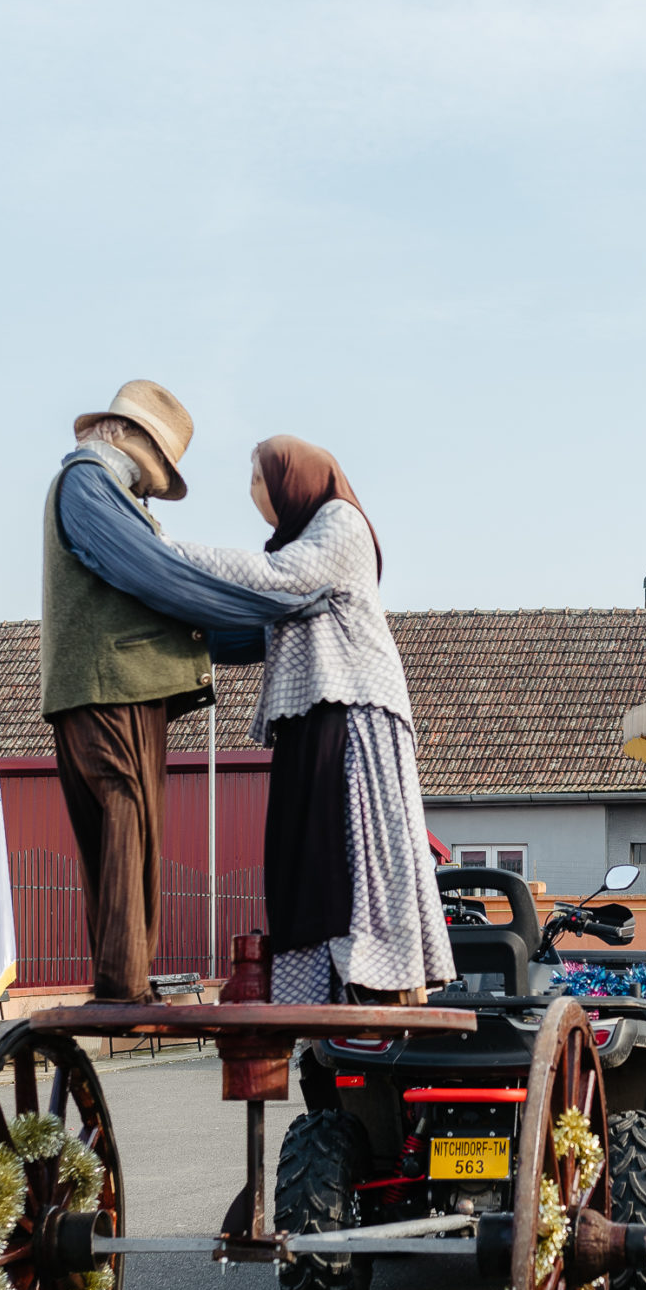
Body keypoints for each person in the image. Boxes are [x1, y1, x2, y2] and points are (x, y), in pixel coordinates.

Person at [43, 382, 330, 1002]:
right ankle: (123, 988)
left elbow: (173, 619)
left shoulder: (105, 490)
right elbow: (156, 575)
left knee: (131, 831)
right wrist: (275, 607)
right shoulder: (90, 481)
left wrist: (268, 629)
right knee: (126, 821)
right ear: (127, 438)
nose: (150, 486)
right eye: (151, 471)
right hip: (109, 687)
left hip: (120, 686)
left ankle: (126, 981)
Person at [167, 436, 453, 1005]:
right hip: (309, 712)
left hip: (351, 707)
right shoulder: (300, 541)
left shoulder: (339, 523)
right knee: (303, 855)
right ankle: (313, 984)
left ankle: (375, 972)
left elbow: (275, 577)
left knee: (347, 850)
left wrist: (164, 553)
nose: (253, 492)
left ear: (293, 480)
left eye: (260, 479)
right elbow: (249, 621)